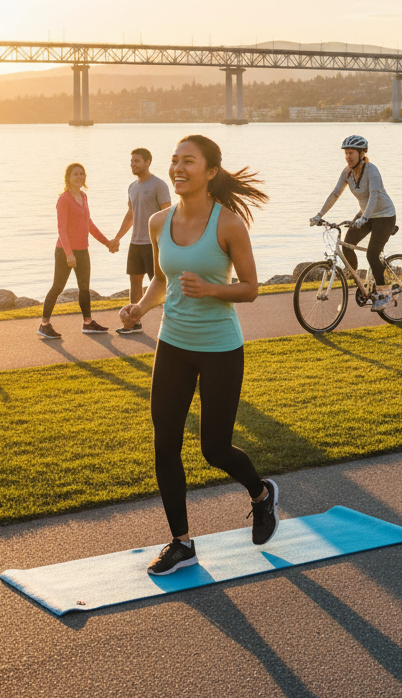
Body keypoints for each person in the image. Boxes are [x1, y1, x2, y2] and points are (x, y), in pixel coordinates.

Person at [118, 134, 277, 575]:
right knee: (165, 443)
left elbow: (250, 288)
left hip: (220, 348)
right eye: (174, 161)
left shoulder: (228, 225)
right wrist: (139, 309)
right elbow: (161, 281)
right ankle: (181, 542)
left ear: (210, 172)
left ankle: (261, 494)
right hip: (172, 345)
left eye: (188, 161)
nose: (177, 168)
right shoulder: (157, 221)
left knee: (214, 448)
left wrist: (211, 289)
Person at [311, 134, 397, 312]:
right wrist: (319, 215)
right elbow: (335, 194)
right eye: (346, 153)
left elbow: (374, 195)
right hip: (365, 213)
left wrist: (364, 218)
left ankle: (385, 297)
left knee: (372, 255)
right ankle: (359, 282)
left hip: (384, 215)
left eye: (351, 153)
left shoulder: (371, 170)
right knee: (347, 245)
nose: (348, 157)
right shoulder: (347, 172)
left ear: (361, 153)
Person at [38, 163, 118, 339]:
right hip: (65, 251)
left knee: (84, 288)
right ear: (68, 177)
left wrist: (106, 242)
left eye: (82, 174)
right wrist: (69, 254)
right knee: (57, 287)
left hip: (83, 250)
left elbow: (88, 224)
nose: (79, 177)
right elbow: (62, 229)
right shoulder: (64, 200)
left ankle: (88, 323)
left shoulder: (83, 196)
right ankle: (44, 324)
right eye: (75, 174)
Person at [111, 147, 172, 334]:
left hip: (154, 244)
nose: (133, 164)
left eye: (136, 161)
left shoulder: (159, 185)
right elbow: (131, 214)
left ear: (147, 162)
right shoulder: (132, 187)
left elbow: (168, 214)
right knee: (134, 283)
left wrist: (167, 242)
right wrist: (117, 238)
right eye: (131, 161)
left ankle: (174, 322)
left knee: (161, 284)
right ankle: (133, 322)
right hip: (135, 243)